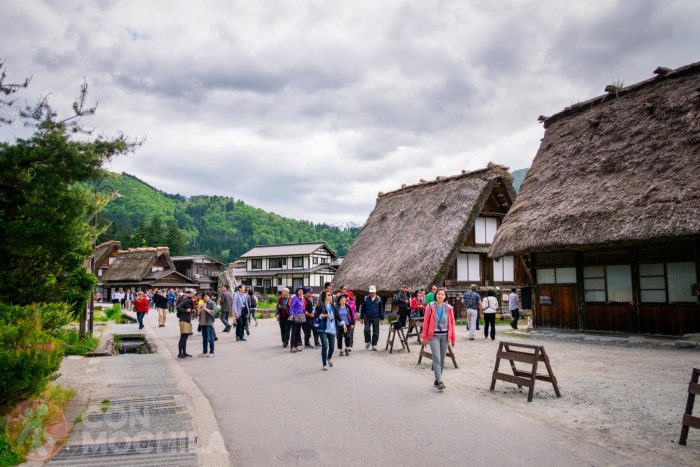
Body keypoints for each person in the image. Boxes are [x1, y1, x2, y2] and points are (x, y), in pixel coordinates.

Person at [422, 288, 456, 391]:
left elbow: (452, 323)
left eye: (442, 294)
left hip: (445, 336)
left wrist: (453, 338)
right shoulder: (430, 307)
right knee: (436, 357)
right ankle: (440, 381)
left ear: (445, 296)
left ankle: (437, 379)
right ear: (435, 295)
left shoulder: (449, 308)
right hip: (434, 336)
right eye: (438, 294)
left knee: (442, 359)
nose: (440, 295)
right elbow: (426, 322)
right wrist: (424, 337)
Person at [315, 290, 340, 370]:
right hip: (323, 328)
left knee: (332, 347)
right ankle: (324, 364)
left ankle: (329, 358)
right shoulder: (320, 306)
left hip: (332, 328)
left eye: (331, 295)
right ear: (324, 296)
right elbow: (316, 316)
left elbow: (338, 316)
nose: (330, 296)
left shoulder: (333, 306)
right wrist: (325, 315)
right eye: (329, 295)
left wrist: (343, 324)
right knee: (325, 346)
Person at [360, 286, 384, 351]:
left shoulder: (379, 299)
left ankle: (374, 345)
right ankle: (368, 341)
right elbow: (363, 309)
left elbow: (381, 309)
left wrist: (382, 319)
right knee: (366, 330)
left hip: (376, 317)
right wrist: (361, 317)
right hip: (367, 317)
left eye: (373, 293)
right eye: (370, 293)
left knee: (376, 331)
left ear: (375, 292)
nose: (372, 294)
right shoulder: (365, 298)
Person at [176, 288, 196, 358]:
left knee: (185, 337)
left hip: (187, 320)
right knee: (183, 337)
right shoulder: (185, 300)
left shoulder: (189, 301)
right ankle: (180, 353)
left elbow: (191, 309)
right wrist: (186, 310)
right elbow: (178, 307)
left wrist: (192, 310)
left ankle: (184, 352)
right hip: (183, 320)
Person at [288, 286, 307, 353]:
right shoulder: (295, 298)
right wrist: (291, 315)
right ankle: (292, 346)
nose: (301, 291)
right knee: (294, 332)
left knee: (298, 332)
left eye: (302, 290)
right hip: (295, 316)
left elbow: (302, 307)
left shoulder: (302, 298)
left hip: (300, 317)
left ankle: (296, 346)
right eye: (299, 290)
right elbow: (291, 307)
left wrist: (305, 311)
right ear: (297, 291)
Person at [199, 292, 216, 357]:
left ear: (209, 296)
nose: (205, 298)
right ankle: (205, 352)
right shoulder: (203, 303)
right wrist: (199, 310)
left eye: (206, 296)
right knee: (204, 338)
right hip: (203, 323)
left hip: (209, 323)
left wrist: (205, 308)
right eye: (204, 297)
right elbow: (199, 313)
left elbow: (213, 313)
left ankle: (212, 352)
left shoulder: (212, 303)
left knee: (210, 338)